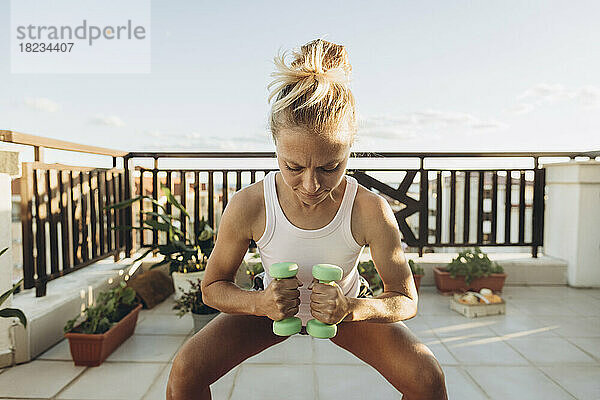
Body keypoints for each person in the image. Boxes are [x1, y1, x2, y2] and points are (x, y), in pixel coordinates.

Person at [167, 38, 448, 400]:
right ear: (275, 148)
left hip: (343, 307)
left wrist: (351, 309)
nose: (312, 185)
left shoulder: (368, 209)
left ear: (350, 150)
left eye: (331, 167)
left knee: (427, 379)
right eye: (293, 167)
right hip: (268, 306)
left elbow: (405, 299)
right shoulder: (250, 204)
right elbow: (212, 288)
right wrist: (259, 303)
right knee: (186, 370)